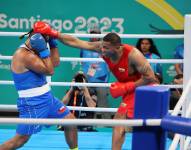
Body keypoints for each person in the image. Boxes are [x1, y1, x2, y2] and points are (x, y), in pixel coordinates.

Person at [32, 21, 158, 150]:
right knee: (119, 123)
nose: (102, 50)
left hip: (145, 89)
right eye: (102, 47)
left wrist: (126, 87)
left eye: (106, 48)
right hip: (132, 89)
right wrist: (55, 34)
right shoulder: (102, 48)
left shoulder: (133, 55)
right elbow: (77, 42)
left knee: (138, 125)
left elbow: (151, 78)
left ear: (117, 47)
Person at [0, 32, 78, 149]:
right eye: (46, 39)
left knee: (70, 122)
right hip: (33, 103)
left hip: (48, 98)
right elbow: (50, 71)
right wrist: (44, 50)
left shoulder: (37, 46)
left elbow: (55, 63)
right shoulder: (24, 55)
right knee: (20, 140)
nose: (46, 42)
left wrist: (52, 44)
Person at [80, 25, 110, 119]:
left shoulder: (105, 48)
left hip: (102, 81)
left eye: (96, 34)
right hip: (88, 81)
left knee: (103, 105)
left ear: (100, 35)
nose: (94, 36)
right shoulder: (84, 47)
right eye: (92, 34)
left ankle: (106, 125)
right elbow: (81, 61)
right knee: (86, 103)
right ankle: (86, 123)